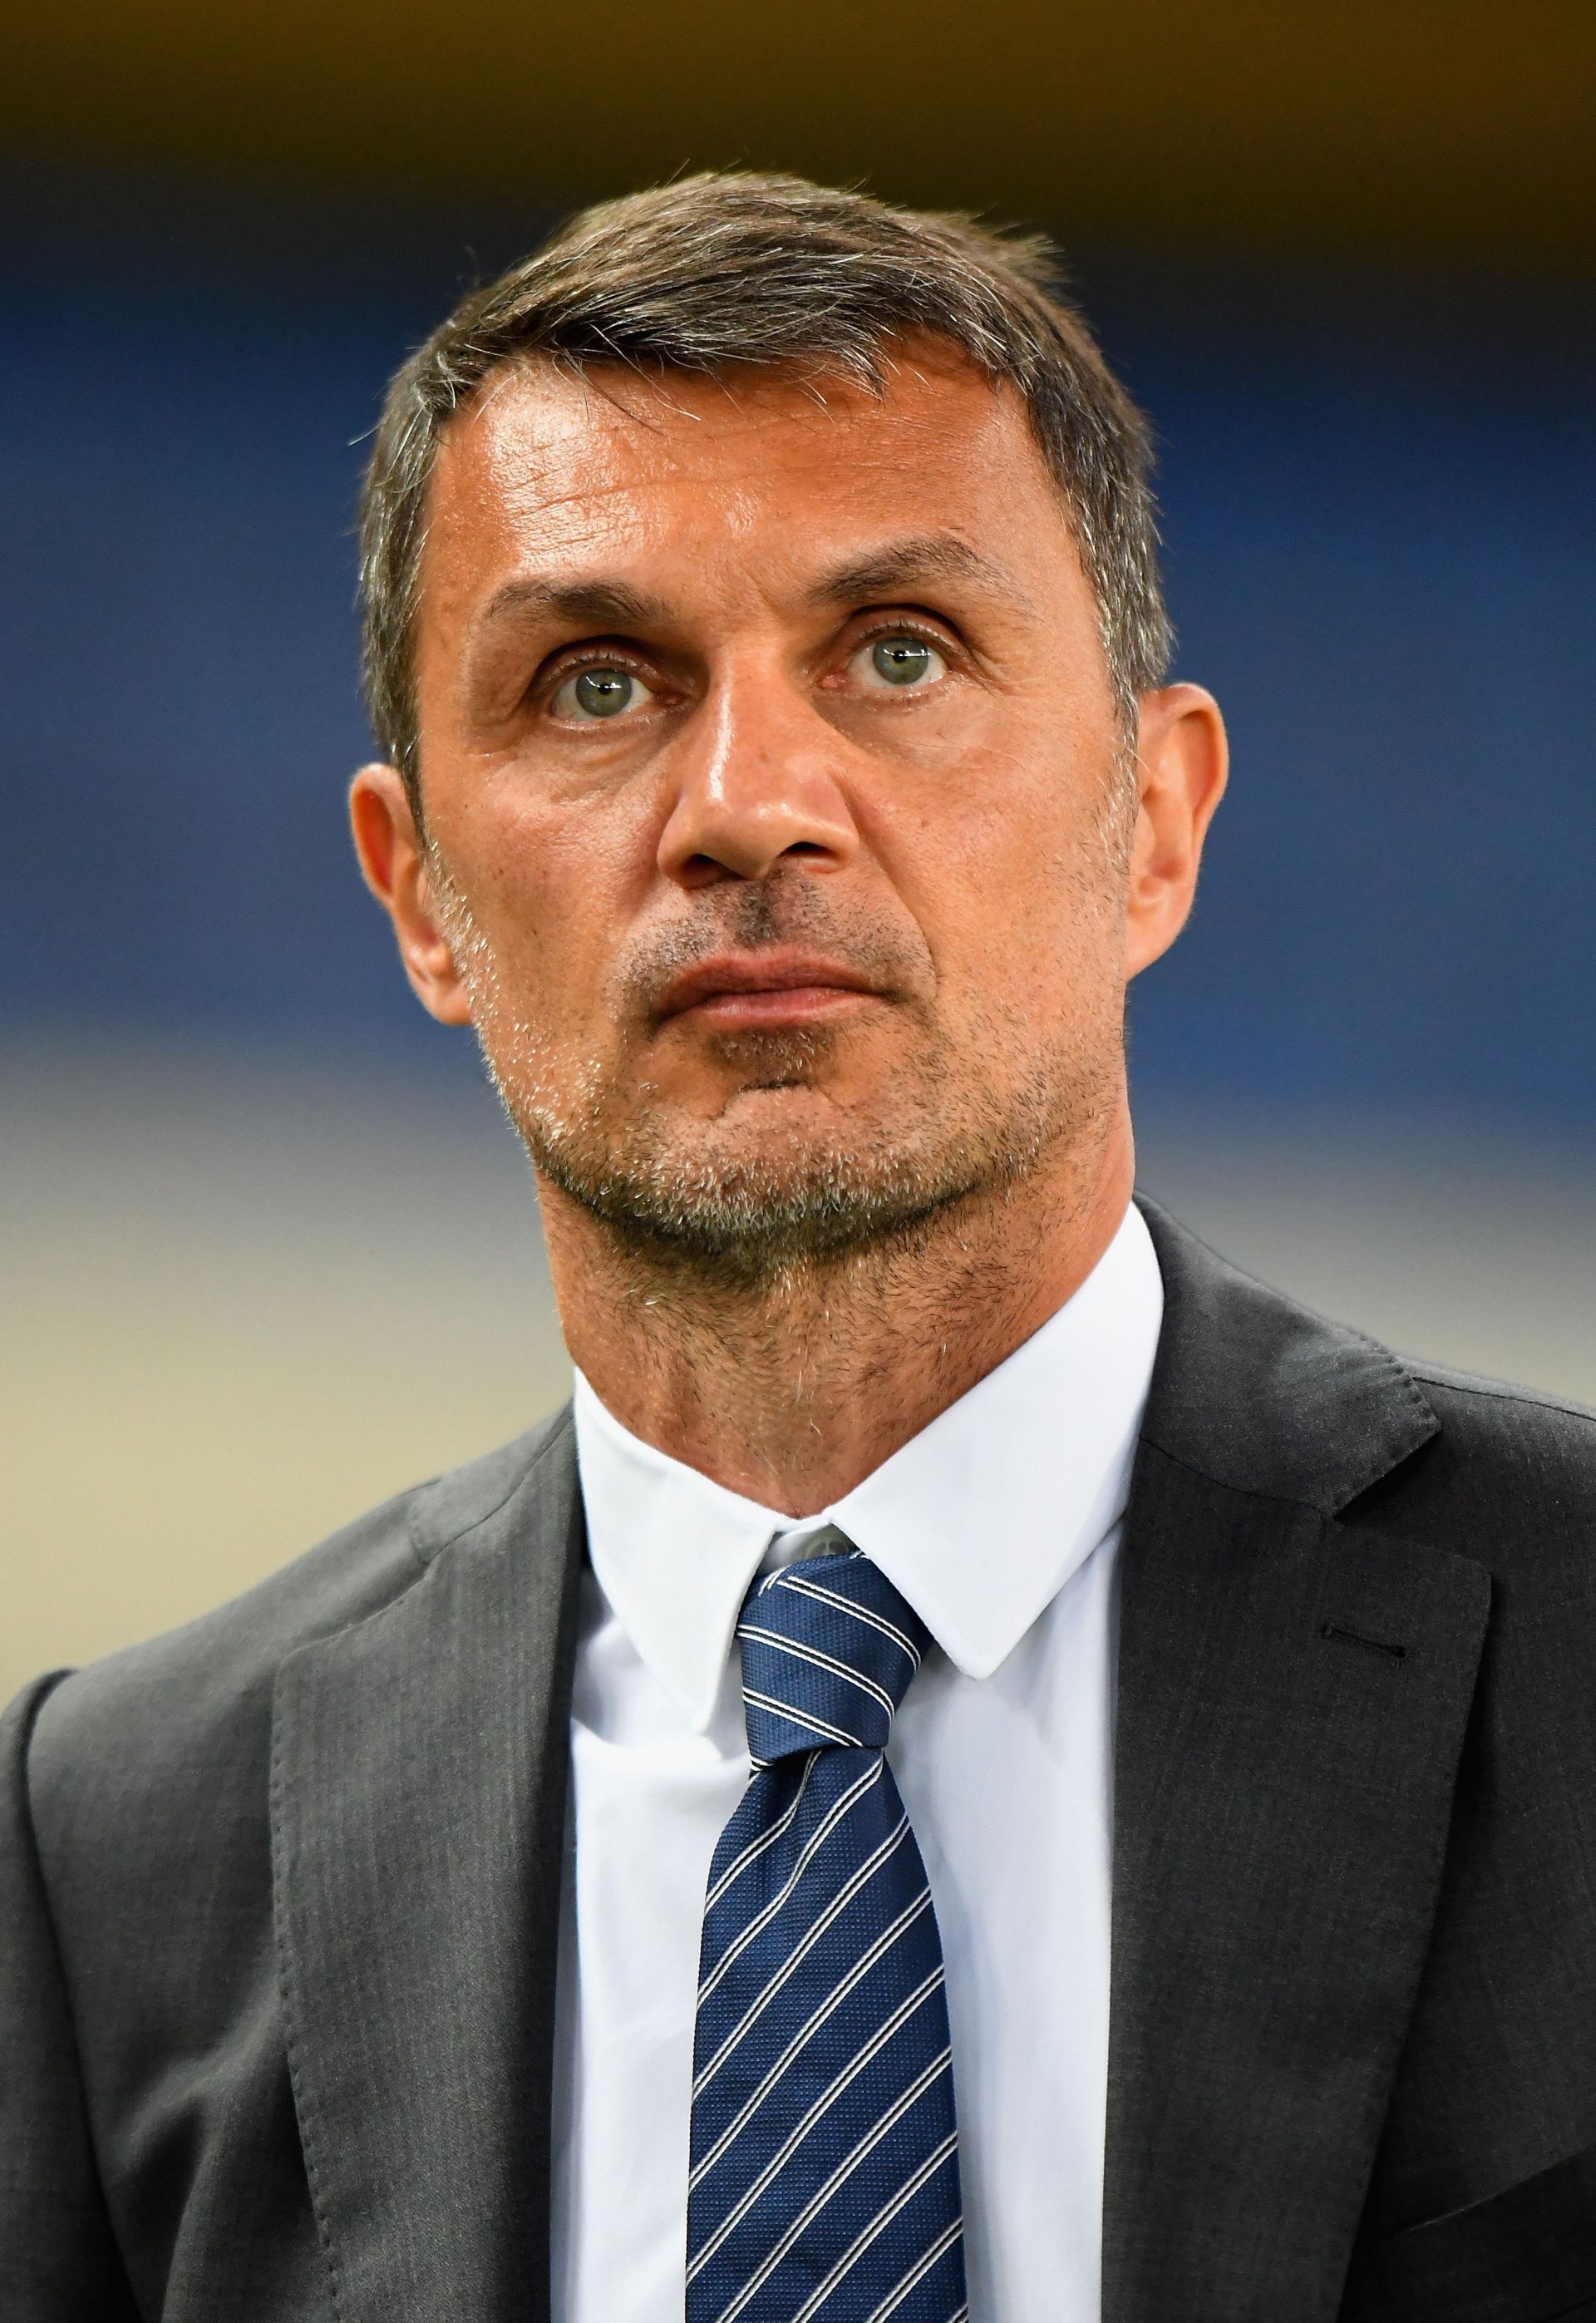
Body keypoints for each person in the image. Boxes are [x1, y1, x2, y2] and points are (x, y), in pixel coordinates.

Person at [3, 171, 1594, 2323]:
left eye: (901, 651)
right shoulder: (116, 1850)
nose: (750, 799)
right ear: (413, 895)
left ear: (1157, 817)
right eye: (595, 683)